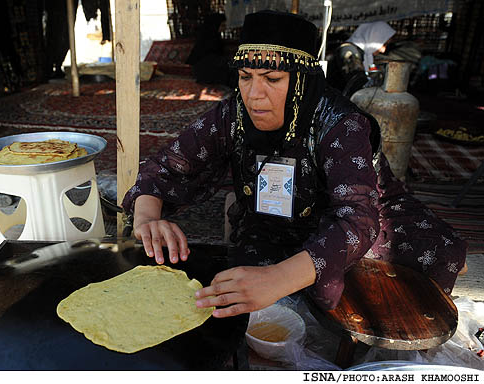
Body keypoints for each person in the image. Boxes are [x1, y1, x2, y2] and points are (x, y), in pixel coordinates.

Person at [122, 11, 467, 317]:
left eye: (272, 79)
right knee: (241, 284)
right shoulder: (233, 115)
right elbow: (167, 163)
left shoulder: (341, 124)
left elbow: (358, 220)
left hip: (350, 217)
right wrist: (147, 217)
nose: (254, 94)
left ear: (301, 80)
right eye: (245, 76)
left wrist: (279, 278)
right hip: (272, 218)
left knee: (430, 253)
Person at [328, 21, 396, 96]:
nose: (383, 50)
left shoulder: (364, 54)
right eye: (383, 44)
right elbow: (357, 82)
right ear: (374, 37)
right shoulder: (348, 51)